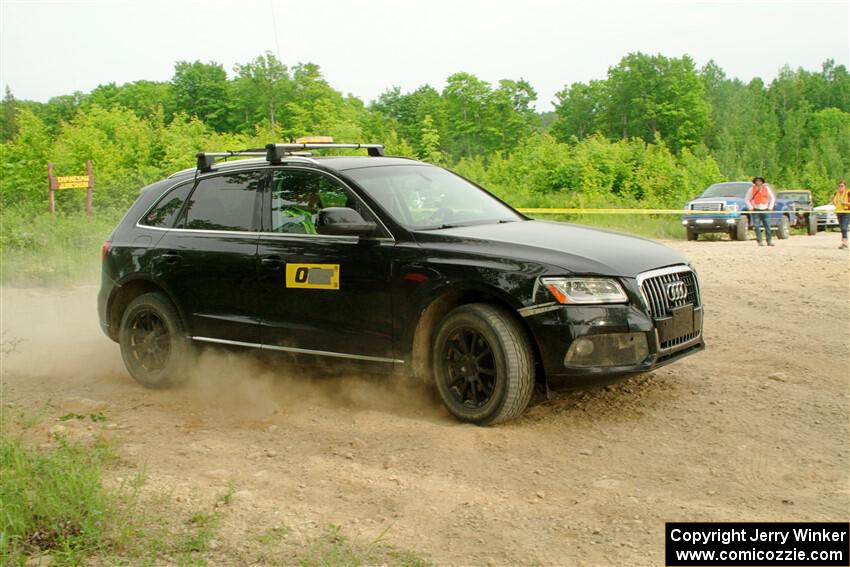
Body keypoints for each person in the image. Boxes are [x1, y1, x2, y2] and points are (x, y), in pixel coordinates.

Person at [744, 176, 776, 246]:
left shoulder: (767, 188)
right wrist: (751, 207)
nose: (758, 182)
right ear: (755, 182)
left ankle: (769, 240)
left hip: (765, 209)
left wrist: (770, 207)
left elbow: (772, 198)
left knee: (767, 226)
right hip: (756, 210)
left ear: (762, 182)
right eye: (757, 181)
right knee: (756, 226)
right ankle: (760, 241)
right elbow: (747, 199)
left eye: (759, 181)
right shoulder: (751, 189)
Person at [832, 179, 849, 249]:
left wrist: (845, 203)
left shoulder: (848, 193)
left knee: (844, 227)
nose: (840, 187)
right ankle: (843, 243)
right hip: (839, 212)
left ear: (845, 186)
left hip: (847, 212)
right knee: (842, 228)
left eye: (842, 186)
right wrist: (832, 200)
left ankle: (845, 243)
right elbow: (834, 202)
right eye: (839, 186)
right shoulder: (836, 193)